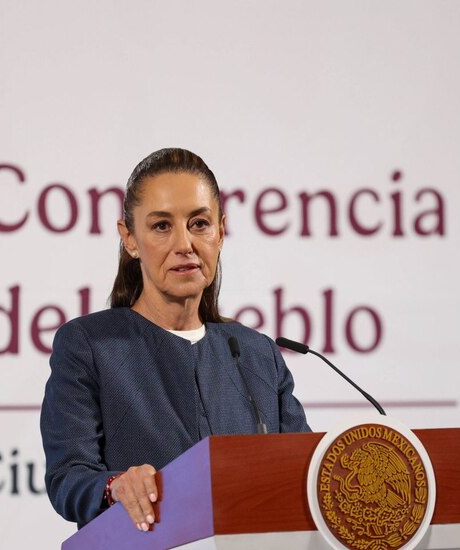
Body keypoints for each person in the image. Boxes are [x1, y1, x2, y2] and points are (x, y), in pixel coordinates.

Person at [40, 148, 311, 531]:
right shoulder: (90, 345)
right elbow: (68, 478)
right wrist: (117, 485)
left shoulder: (256, 354)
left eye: (199, 223)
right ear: (129, 239)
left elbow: (304, 474)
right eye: (161, 226)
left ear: (221, 231)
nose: (184, 243)